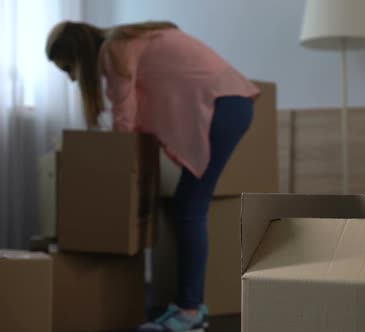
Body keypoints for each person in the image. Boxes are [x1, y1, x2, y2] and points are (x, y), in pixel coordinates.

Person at [46, 21, 260, 332]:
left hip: (223, 105)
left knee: (190, 207)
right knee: (188, 204)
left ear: (79, 53)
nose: (72, 77)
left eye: (68, 68)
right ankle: (189, 307)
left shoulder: (112, 49)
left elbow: (124, 113)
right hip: (229, 102)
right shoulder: (129, 39)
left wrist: (111, 167)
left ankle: (191, 312)